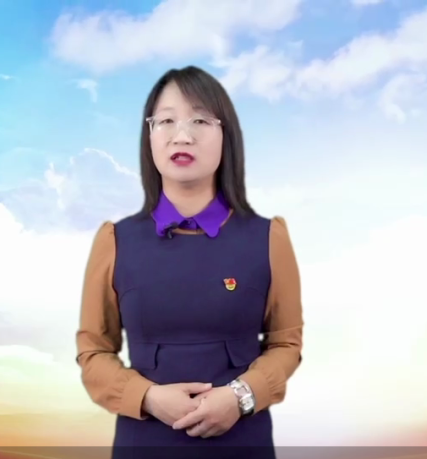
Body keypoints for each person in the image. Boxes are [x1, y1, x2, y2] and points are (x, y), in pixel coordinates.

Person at [75, 65, 304, 459]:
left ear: (226, 134)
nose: (182, 135)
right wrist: (147, 397)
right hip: (144, 445)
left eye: (200, 119)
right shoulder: (114, 240)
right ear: (149, 137)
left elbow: (286, 343)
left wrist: (240, 397)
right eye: (166, 121)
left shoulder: (269, 238)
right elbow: (93, 351)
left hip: (242, 444)